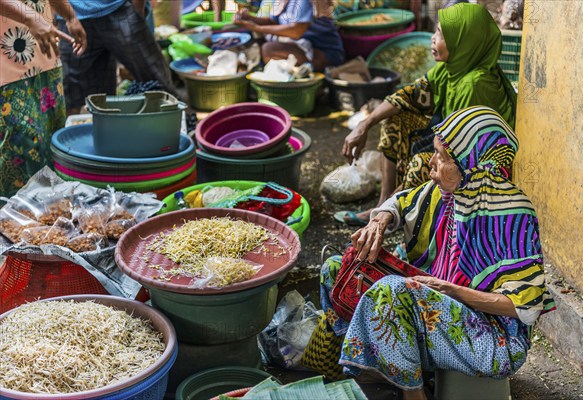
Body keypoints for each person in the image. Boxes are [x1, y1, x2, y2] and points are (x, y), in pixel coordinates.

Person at [319, 106, 555, 400]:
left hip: (494, 337)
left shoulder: (513, 214)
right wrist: (379, 221)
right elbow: (401, 202)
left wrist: (450, 290)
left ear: (472, 164)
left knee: (392, 292)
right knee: (339, 266)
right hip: (443, 305)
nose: (431, 162)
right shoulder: (445, 194)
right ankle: (382, 368)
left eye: (442, 157)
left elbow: (525, 307)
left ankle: (412, 394)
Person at [334, 3, 517, 226]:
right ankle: (384, 203)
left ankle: (397, 217)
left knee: (422, 163)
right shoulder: (449, 68)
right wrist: (365, 124)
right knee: (395, 118)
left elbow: (457, 152)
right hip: (449, 144)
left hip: (477, 166)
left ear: (464, 42)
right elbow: (406, 96)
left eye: (441, 34)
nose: (433, 38)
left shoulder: (476, 84)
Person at [0, 0, 86, 197]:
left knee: (51, 140)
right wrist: (31, 17)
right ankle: (11, 219)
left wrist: (70, 15)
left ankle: (45, 217)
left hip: (42, 49)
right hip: (7, 60)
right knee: (19, 144)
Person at [56, 0, 177, 115]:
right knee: (79, 98)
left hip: (119, 8)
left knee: (157, 84)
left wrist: (137, 9)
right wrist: (69, 17)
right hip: (71, 15)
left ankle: (177, 126)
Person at [234, 0, 344, 72]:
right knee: (251, 39)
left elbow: (296, 31)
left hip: (324, 52)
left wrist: (256, 27)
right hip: (301, 46)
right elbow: (274, 23)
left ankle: (310, 75)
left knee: (268, 49)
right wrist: (249, 18)